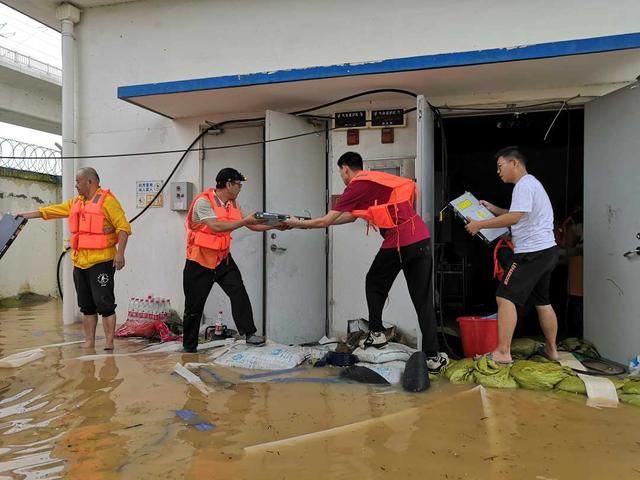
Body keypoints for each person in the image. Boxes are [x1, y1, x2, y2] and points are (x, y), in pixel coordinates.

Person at [284, 151, 449, 374]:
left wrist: (297, 223)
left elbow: (326, 220)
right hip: (421, 238)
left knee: (374, 282)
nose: (342, 177)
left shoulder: (356, 186)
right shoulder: (374, 180)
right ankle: (432, 357)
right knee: (423, 299)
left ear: (345, 169)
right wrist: (305, 223)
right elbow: (350, 216)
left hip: (400, 240)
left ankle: (377, 333)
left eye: (340, 172)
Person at [18, 167, 131, 350]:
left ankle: (109, 342)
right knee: (86, 306)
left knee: (105, 304)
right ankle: (89, 341)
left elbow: (123, 227)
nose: (76, 185)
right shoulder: (76, 203)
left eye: (78, 181)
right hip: (79, 262)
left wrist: (120, 254)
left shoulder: (107, 201)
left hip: (101, 261)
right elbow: (53, 210)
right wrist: (28, 215)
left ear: (90, 182)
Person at [465, 146, 559, 364]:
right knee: (542, 301)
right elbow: (517, 213)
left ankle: (503, 352)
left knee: (505, 296)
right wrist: (493, 208)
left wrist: (480, 224)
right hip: (547, 252)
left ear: (514, 163)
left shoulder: (523, 185)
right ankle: (552, 350)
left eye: (500, 166)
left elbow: (515, 218)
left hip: (531, 253)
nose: (499, 172)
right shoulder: (532, 184)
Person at [182, 167, 280, 353]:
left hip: (222, 259)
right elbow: (217, 226)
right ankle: (189, 346)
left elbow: (252, 223)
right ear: (228, 184)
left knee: (239, 292)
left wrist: (277, 225)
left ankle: (249, 333)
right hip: (199, 262)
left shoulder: (232, 204)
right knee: (194, 306)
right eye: (238, 184)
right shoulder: (204, 202)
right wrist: (245, 221)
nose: (240, 188)